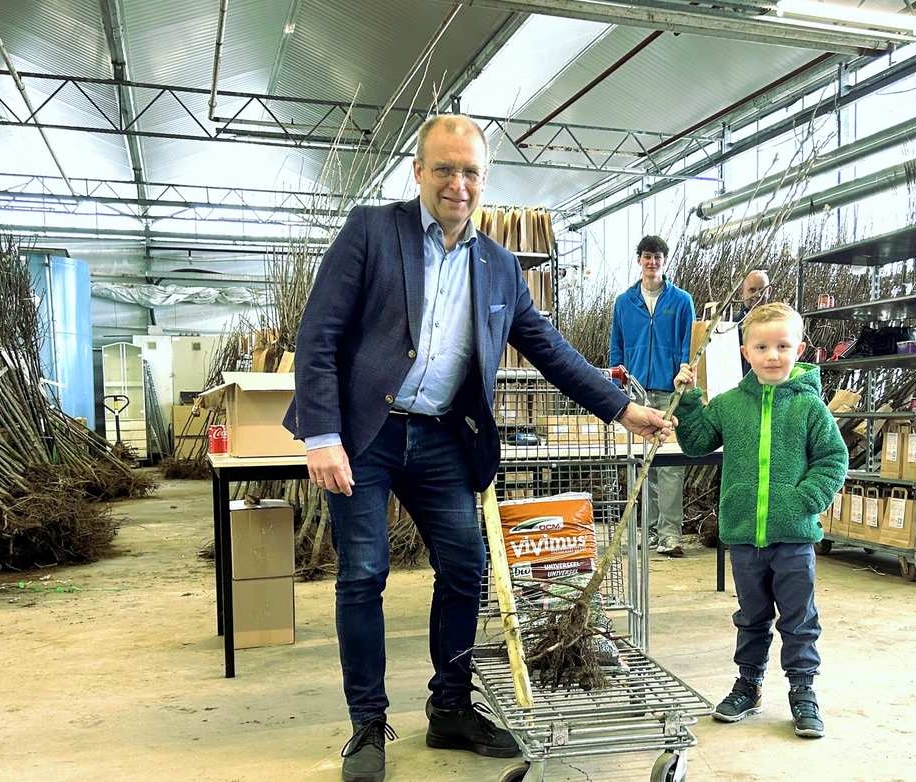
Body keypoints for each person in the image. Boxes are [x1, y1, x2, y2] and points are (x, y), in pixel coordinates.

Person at [286, 114, 675, 782]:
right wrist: (323, 436)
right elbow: (318, 334)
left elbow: (548, 348)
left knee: (465, 569)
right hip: (366, 434)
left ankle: (450, 710)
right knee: (363, 573)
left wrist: (625, 409)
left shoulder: (497, 266)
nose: (457, 184)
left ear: (484, 180)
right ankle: (368, 725)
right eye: (444, 169)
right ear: (418, 171)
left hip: (441, 435)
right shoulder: (371, 232)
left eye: (470, 172)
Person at [671, 302, 847, 739]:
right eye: (763, 346)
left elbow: (833, 458)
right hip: (745, 536)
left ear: (799, 348)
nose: (773, 355)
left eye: (783, 346)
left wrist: (805, 500)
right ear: (746, 352)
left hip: (793, 538)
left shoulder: (810, 407)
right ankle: (748, 684)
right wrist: (688, 400)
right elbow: (695, 442)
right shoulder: (730, 404)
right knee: (751, 616)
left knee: (798, 617)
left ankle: (803, 690)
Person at [608, 235, 694, 557]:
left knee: (670, 465)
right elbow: (616, 345)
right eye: (647, 256)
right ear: (639, 259)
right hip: (636, 393)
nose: (652, 262)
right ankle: (651, 530)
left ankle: (670, 535)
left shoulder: (681, 301)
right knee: (644, 464)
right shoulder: (624, 302)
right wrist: (618, 385)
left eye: (657, 256)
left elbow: (688, 345)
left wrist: (683, 374)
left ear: (664, 260)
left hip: (670, 392)